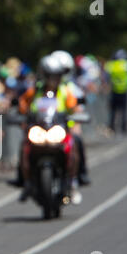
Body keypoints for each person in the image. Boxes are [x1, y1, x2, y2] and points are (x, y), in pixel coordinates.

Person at [18, 55, 82, 204]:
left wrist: (76, 117)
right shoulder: (35, 91)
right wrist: (21, 115)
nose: (54, 79)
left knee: (76, 143)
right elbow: (23, 104)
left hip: (60, 130)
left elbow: (74, 108)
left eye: (57, 76)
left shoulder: (65, 91)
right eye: (51, 76)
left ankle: (73, 182)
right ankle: (25, 182)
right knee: (24, 147)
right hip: (39, 129)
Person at [51, 50, 91, 186]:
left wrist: (75, 121)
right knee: (26, 144)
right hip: (45, 127)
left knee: (77, 141)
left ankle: (79, 174)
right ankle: (24, 178)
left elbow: (77, 108)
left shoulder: (70, 88)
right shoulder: (40, 88)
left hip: (65, 127)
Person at [104, 49, 127, 135]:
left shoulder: (111, 65)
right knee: (124, 111)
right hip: (124, 91)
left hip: (114, 90)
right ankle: (124, 128)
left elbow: (106, 77)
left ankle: (112, 128)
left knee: (113, 111)